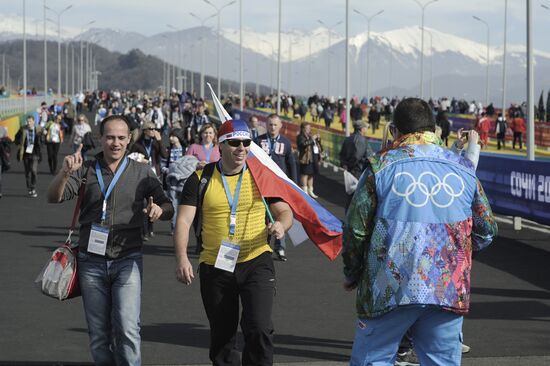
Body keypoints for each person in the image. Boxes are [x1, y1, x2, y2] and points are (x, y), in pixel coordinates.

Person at [343, 98, 497, 366]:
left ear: (394, 130)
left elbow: (356, 229)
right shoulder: (463, 168)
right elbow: (486, 229)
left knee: (374, 360)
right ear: (434, 128)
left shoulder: (380, 166)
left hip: (387, 287)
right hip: (446, 288)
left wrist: (352, 271)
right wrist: (457, 254)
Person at [47, 115, 174, 366]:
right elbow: (54, 197)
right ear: (101, 138)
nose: (115, 143)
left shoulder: (142, 172)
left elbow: (167, 204)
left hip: (127, 260)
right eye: (110, 137)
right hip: (90, 262)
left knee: (128, 331)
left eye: (121, 138)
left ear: (129, 140)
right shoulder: (86, 169)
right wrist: (64, 173)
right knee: (98, 335)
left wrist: (159, 211)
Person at [174, 118, 293, 366]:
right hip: (216, 265)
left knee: (259, 328)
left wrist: (281, 225)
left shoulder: (260, 176)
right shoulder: (200, 178)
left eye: (246, 142)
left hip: (256, 259)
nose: (241, 148)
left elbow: (285, 212)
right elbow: (184, 221)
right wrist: (182, 258)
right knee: (223, 336)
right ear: (221, 146)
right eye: (234, 143)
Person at [256, 113, 298, 262]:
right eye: (270, 124)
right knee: (263, 215)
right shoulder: (258, 141)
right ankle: (263, 245)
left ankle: (280, 246)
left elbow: (291, 164)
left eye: (275, 124)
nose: (272, 127)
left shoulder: (286, 143)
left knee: (282, 215)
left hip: (280, 187)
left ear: (281, 126)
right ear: (266, 125)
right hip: (262, 185)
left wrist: (294, 184)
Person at [339, 120, 374, 210]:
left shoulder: (348, 139)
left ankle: (348, 217)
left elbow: (341, 154)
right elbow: (357, 156)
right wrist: (350, 165)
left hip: (350, 171)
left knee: (350, 196)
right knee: (357, 197)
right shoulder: (361, 140)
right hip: (359, 171)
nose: (366, 129)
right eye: (366, 128)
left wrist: (344, 165)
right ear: (362, 129)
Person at [15, 115, 42, 198]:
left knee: (34, 171)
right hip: (26, 153)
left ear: (34, 121)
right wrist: (19, 144)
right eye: (27, 121)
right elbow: (16, 138)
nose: (28, 123)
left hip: (34, 153)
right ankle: (29, 188)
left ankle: (33, 187)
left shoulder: (38, 129)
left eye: (30, 121)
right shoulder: (23, 129)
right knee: (27, 172)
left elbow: (41, 140)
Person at [297, 122, 322, 198]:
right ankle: (304, 190)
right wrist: (312, 139)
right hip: (305, 158)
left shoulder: (310, 136)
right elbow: (303, 144)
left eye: (309, 128)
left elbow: (318, 145)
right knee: (305, 174)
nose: (309, 130)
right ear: (303, 129)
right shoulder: (300, 137)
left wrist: (318, 139)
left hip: (313, 157)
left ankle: (310, 190)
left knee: (311, 174)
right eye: (307, 128)